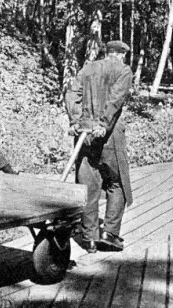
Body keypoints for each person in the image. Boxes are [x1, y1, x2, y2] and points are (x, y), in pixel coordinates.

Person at [65, 40, 133, 253]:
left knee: (88, 185)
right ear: (121, 54)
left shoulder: (87, 68)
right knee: (117, 183)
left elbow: (71, 94)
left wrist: (76, 121)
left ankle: (90, 238)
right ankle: (110, 234)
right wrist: (103, 124)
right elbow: (116, 99)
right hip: (109, 135)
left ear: (106, 52)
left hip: (84, 134)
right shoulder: (123, 70)